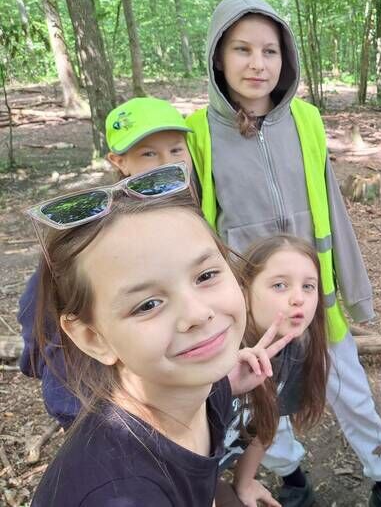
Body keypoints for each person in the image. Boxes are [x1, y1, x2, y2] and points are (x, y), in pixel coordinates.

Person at [186, 0, 381, 507]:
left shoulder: (305, 120)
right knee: (263, 400)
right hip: (252, 308)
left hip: (315, 299)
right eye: (242, 49)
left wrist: (356, 294)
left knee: (351, 389)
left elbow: (332, 212)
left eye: (270, 51)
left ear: (285, 59)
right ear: (218, 56)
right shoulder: (198, 134)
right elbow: (197, 231)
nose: (257, 64)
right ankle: (291, 479)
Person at [27, 165, 293, 506]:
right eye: (148, 304)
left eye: (206, 275)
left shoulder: (198, 389)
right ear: (92, 338)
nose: (197, 314)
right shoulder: (118, 494)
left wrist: (227, 383)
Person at [18, 96, 195, 429]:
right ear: (119, 161)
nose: (165, 163)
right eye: (148, 154)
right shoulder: (97, 226)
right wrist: (38, 359)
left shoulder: (183, 213)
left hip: (163, 384)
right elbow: (36, 304)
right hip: (95, 399)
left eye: (175, 150)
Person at [231, 235, 329, 506]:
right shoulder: (218, 354)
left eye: (308, 286)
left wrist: (243, 482)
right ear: (244, 293)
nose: (298, 298)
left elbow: (264, 423)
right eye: (280, 285)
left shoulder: (295, 349)